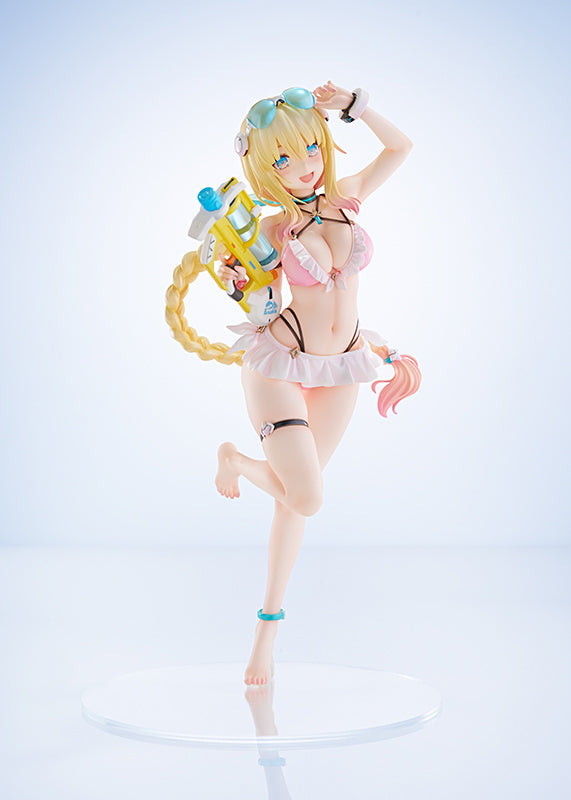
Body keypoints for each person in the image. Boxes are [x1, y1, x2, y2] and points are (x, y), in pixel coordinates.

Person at [165, 81, 421, 686]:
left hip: (344, 366)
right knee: (306, 497)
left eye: (310, 148)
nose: (304, 166)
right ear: (263, 168)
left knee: (294, 499)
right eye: (283, 159)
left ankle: (266, 634)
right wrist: (231, 265)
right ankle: (235, 459)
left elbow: (401, 148)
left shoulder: (346, 195)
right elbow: (246, 277)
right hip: (280, 364)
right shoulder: (273, 227)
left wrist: (354, 106)